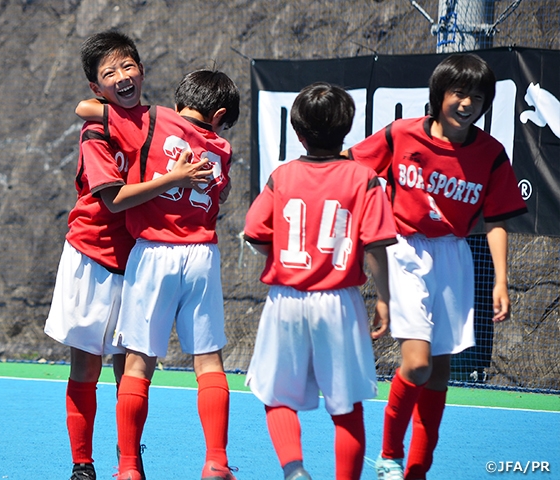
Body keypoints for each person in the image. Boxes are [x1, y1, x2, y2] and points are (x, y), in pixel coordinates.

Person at [343, 53, 528, 479]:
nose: (467, 104)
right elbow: (352, 167)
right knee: (418, 363)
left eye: (478, 97)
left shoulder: (491, 153)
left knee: (441, 369)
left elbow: (497, 220)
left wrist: (501, 279)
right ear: (438, 95)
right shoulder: (401, 135)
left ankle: (418, 468)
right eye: (459, 93)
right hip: (404, 251)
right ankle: (389, 455)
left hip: (454, 255)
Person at [45, 31, 212, 480]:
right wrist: (174, 177)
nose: (122, 77)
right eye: (109, 73)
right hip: (92, 255)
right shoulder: (95, 129)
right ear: (96, 89)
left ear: (142, 69)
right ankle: (83, 463)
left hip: (143, 259)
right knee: (86, 364)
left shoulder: (164, 122)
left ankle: (130, 463)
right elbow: (116, 200)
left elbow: (206, 144)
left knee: (131, 371)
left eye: (128, 66)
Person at [76, 69, 240, 480]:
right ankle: (216, 460)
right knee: (209, 362)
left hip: (152, 252)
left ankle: (129, 467)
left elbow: (89, 111)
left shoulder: (154, 120)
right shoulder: (222, 147)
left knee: (137, 364)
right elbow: (222, 194)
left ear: (182, 99)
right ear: (219, 115)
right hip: (202, 253)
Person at [243, 82, 398, 480]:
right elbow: (376, 246)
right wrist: (384, 299)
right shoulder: (364, 179)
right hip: (340, 301)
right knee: (347, 405)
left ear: (298, 133)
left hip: (287, 299)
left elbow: (256, 233)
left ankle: (294, 470)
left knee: (277, 396)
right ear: (347, 131)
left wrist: (285, 257)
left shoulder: (283, 175)